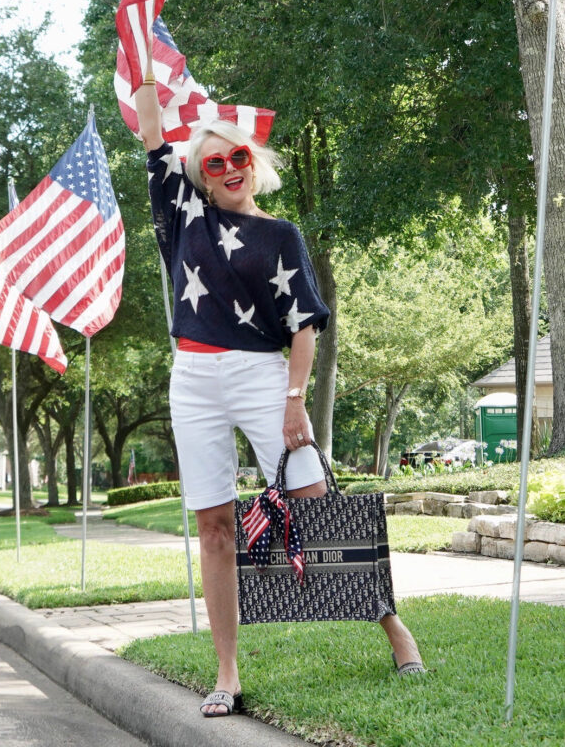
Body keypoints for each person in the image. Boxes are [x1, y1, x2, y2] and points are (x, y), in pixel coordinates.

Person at [135, 69, 424, 718]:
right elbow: (152, 131)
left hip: (264, 376)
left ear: (253, 161)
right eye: (216, 162)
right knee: (213, 525)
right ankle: (228, 673)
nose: (231, 168)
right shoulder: (184, 217)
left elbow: (303, 328)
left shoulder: (281, 235)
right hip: (194, 378)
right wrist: (139, 40)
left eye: (240, 156)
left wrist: (295, 399)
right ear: (201, 174)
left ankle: (393, 628)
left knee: (317, 501)